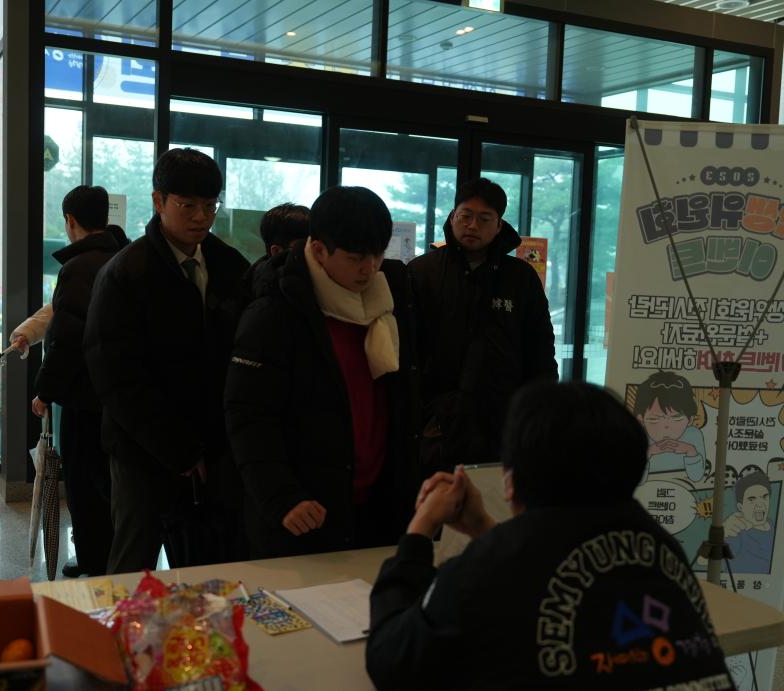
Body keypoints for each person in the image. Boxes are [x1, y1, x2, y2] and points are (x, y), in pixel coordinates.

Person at [366, 381, 732, 690]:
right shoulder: (659, 546)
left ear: (510, 482)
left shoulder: (486, 567)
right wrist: (484, 528)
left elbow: (391, 661)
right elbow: (548, 567)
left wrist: (421, 526)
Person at [225, 186, 419, 559]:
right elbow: (248, 415)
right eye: (356, 257)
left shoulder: (389, 303)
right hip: (304, 511)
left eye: (377, 255)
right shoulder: (275, 312)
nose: (370, 268)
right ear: (318, 250)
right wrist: (281, 496)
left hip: (378, 506)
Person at [84, 148, 249, 574]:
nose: (201, 217)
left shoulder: (231, 266)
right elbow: (117, 378)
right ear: (158, 201)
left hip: (212, 449)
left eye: (210, 206)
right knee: (133, 564)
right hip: (142, 451)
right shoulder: (125, 273)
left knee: (207, 567)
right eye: (187, 206)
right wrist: (179, 450)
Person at [408, 177, 557, 470]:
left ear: (499, 225)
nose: (472, 226)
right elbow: (407, 349)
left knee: (495, 497)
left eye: (484, 219)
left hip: (502, 421)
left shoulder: (521, 278)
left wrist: (536, 415)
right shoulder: (422, 272)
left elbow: (540, 350)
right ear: (453, 216)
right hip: (434, 424)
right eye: (465, 216)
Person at [31, 185, 128, 578]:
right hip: (119, 396)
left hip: (84, 398)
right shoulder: (125, 257)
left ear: (70, 221)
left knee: (83, 483)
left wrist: (45, 390)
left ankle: (92, 559)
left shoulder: (78, 267)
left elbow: (67, 338)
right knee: (111, 482)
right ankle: (114, 556)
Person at [634, 370, 706, 482]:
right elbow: (635, 481)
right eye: (654, 419)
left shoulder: (693, 435)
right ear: (641, 419)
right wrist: (647, 454)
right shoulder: (637, 436)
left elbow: (697, 477)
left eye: (676, 418)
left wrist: (690, 451)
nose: (666, 426)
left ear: (690, 419)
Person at [726, 469, 773, 574]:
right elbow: (703, 560)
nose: (760, 504)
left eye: (764, 497)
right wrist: (721, 535)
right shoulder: (736, 532)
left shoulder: (775, 527)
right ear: (740, 507)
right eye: (752, 499)